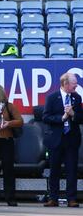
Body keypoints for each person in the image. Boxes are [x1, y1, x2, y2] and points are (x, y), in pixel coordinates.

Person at [43, 73, 83, 208]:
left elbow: (81, 118)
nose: (76, 85)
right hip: (55, 139)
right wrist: (61, 118)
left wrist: (73, 115)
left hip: (71, 139)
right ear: (65, 84)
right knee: (54, 170)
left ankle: (71, 198)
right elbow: (46, 117)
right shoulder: (52, 97)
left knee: (72, 170)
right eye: (74, 83)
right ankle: (53, 198)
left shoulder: (77, 98)